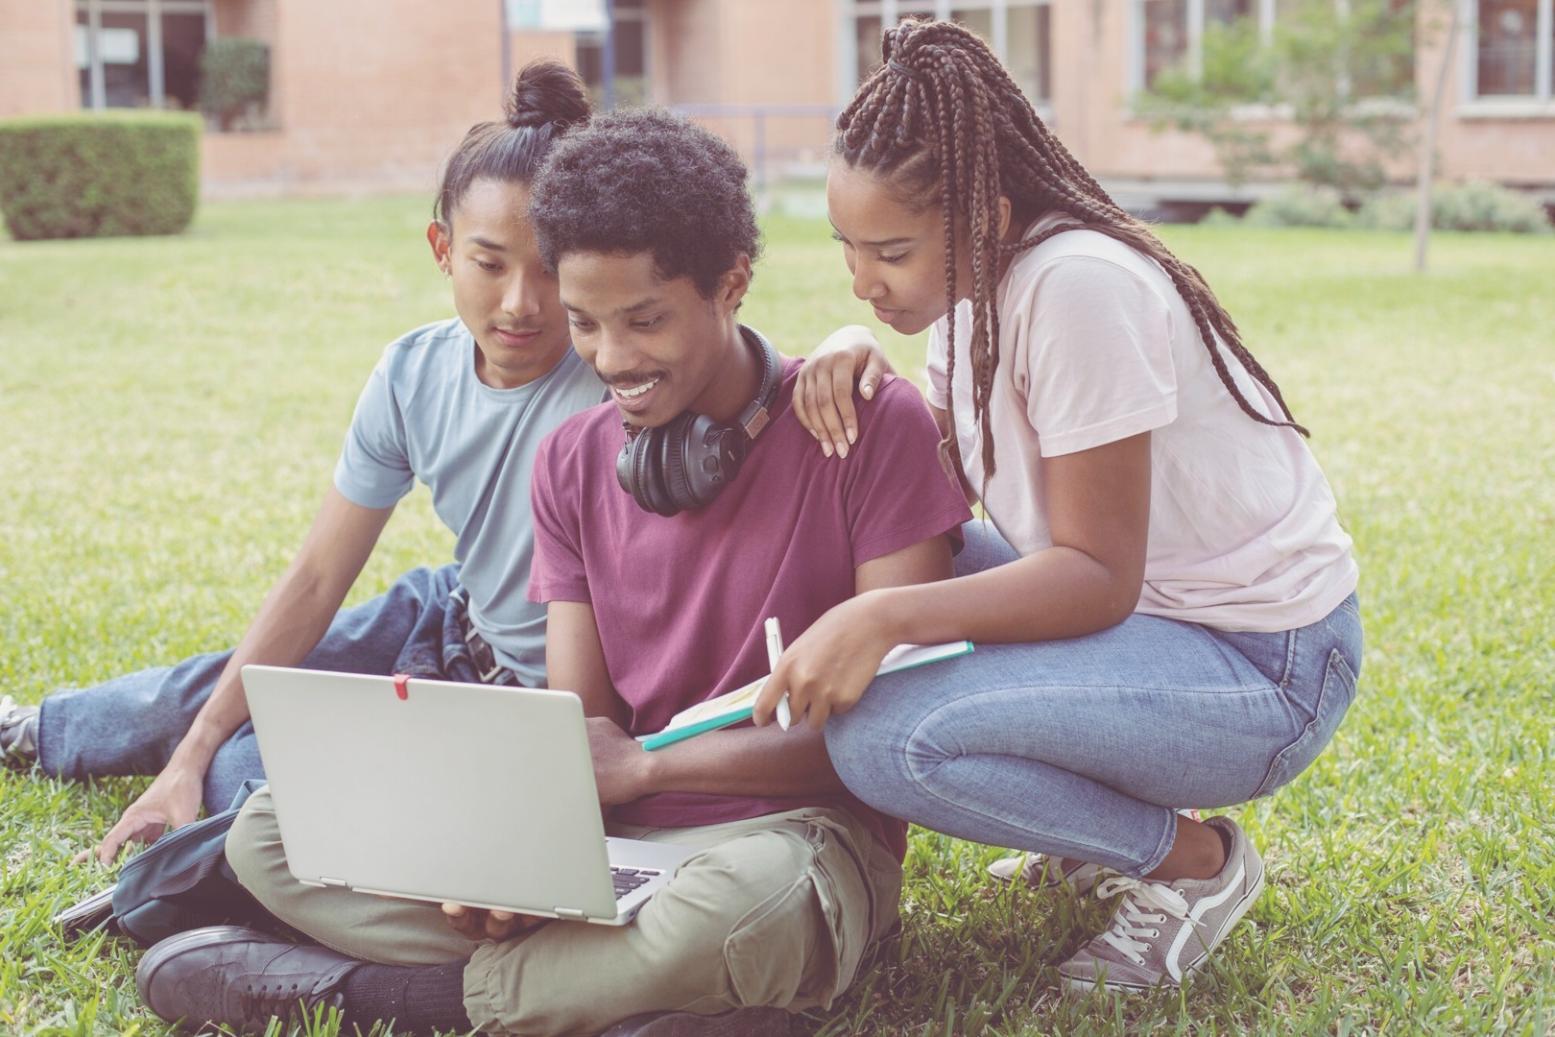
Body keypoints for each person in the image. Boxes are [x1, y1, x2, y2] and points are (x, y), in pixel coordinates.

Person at [130, 109, 973, 1037]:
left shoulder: (866, 426)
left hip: (782, 841)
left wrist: (646, 771)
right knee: (273, 834)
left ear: (732, 283)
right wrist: (511, 868)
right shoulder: (570, 459)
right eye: (585, 323)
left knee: (742, 912)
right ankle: (628, 1004)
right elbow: (577, 728)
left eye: (644, 320)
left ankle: (385, 1001)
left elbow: (889, 733)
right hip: (612, 846)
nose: (612, 359)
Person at [0, 63, 874, 869]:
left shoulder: (619, 371)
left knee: (246, 782)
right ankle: (41, 731)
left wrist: (847, 338)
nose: (521, 305)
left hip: (537, 695)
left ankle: (221, 786)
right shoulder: (411, 373)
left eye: (548, 275)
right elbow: (312, 581)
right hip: (454, 616)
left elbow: (729, 370)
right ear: (442, 249)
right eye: (489, 264)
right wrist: (181, 759)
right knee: (228, 689)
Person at [757, 18, 1363, 994]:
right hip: (1156, 621)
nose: (864, 279)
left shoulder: (1076, 285)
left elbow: (1093, 577)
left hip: (1263, 660)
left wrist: (882, 615)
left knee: (887, 735)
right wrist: (866, 361)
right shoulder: (971, 294)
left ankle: (1194, 866)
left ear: (987, 218)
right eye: (847, 249)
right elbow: (953, 503)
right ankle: (1083, 817)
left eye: (891, 251)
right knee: (891, 551)